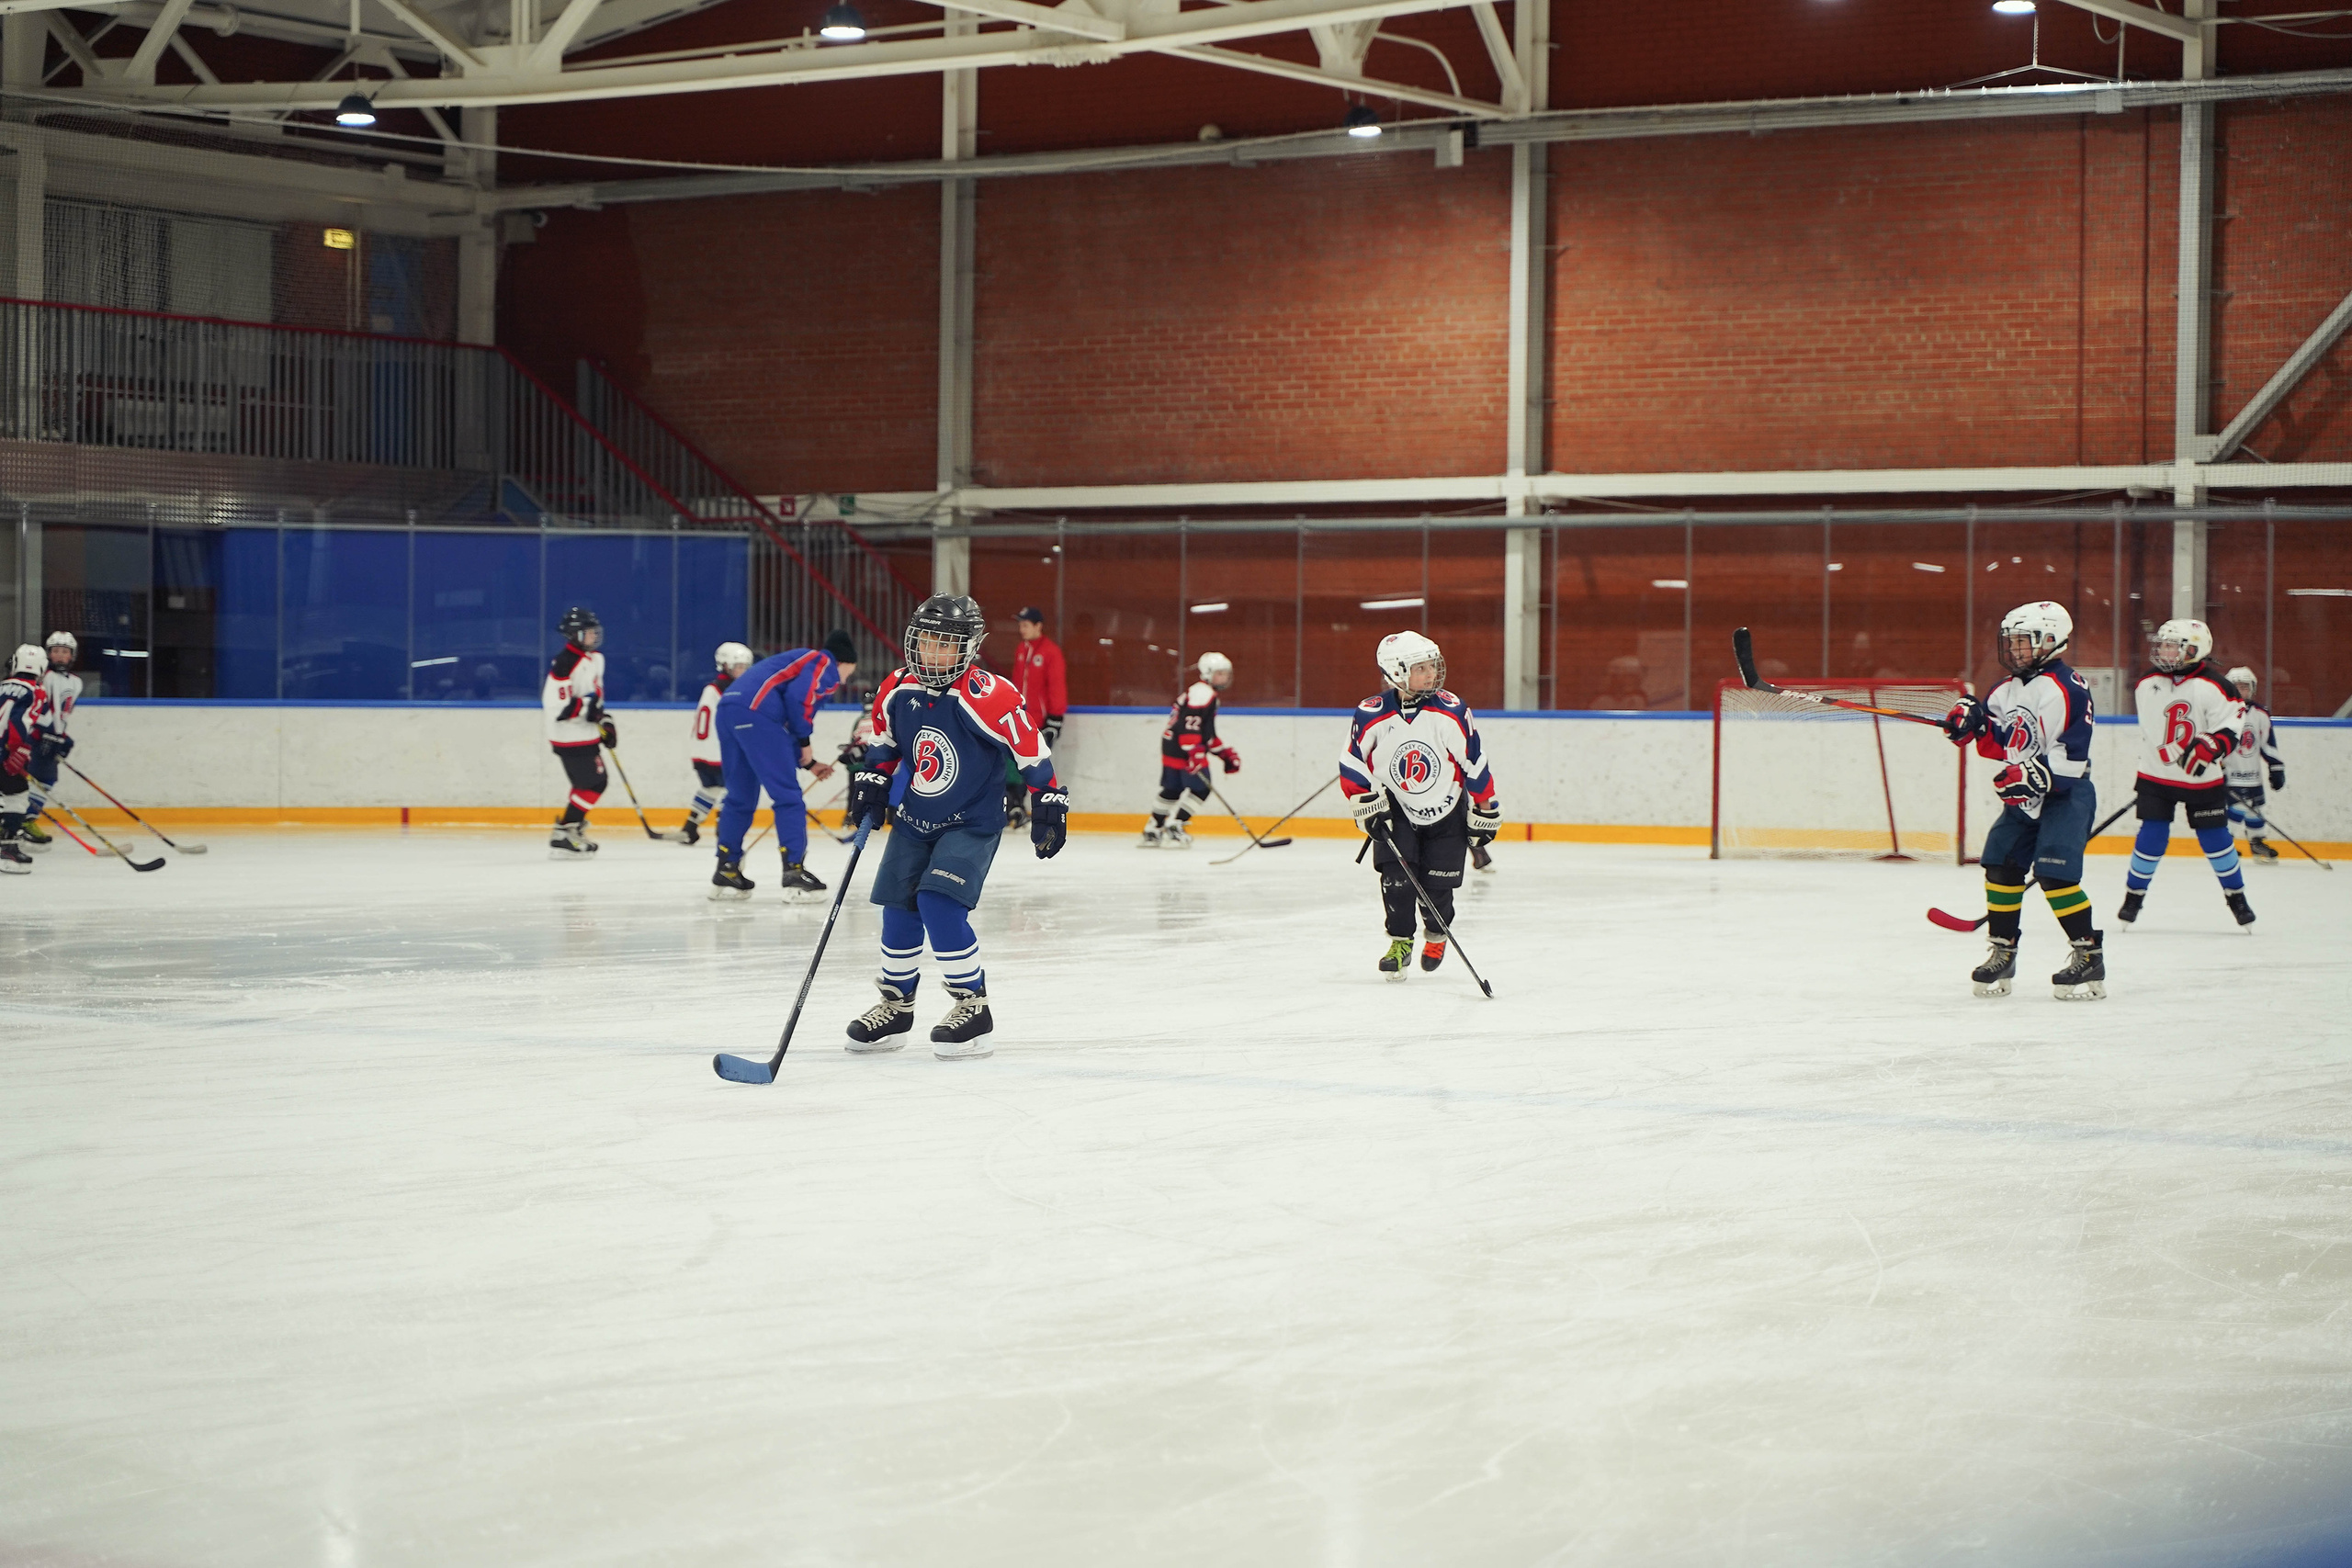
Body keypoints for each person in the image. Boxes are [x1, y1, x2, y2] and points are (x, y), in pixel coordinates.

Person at [842, 595, 1069, 1060]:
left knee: (938, 903)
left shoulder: (991, 695)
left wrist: (1048, 798)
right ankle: (896, 1006)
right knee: (899, 908)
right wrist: (873, 778)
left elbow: (1030, 750)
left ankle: (973, 1006)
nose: (934, 654)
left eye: (947, 645)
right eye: (927, 642)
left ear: (969, 648)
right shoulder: (895, 688)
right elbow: (883, 744)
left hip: (971, 822)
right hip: (914, 818)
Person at [1939, 601, 2102, 998]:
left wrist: (2036, 774)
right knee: (2001, 865)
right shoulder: (2006, 688)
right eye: (2010, 642)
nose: (2014, 650)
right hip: (2024, 798)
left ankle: (2088, 954)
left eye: (2023, 642)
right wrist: (1972, 726)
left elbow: (2072, 759)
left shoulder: (2068, 689)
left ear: (2051, 641)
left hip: (2066, 796)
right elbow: (2001, 741)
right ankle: (2003, 951)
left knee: (2055, 873)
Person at [1339, 631, 1499, 978]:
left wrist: (1485, 808)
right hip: (1397, 809)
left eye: (1432, 665)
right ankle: (1400, 942)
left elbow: (1474, 761)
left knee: (1437, 890)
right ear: (1396, 673)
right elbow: (1352, 762)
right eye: (1421, 667)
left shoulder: (1450, 710)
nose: (1431, 673)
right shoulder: (1371, 713)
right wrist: (1364, 801)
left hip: (1447, 811)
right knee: (1396, 880)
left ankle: (1437, 932)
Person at [2119, 618, 2253, 930]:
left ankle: (2237, 896)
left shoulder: (2218, 686)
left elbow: (2233, 725)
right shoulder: (2147, 682)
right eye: (2163, 645)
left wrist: (2213, 746)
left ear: (2194, 650)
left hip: (2201, 779)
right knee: (2151, 836)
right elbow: (2154, 732)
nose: (2164, 652)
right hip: (2156, 777)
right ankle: (2133, 896)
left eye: (2172, 646)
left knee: (2215, 838)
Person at [710, 630, 858, 901]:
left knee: (740, 797)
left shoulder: (794, 662)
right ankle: (794, 871)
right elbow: (798, 701)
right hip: (756, 712)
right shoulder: (823, 662)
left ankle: (727, 869)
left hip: (731, 709)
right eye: (850, 671)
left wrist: (809, 762)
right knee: (788, 797)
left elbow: (780, 723)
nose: (846, 678)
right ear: (844, 662)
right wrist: (805, 741)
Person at [1140, 651, 1239, 848]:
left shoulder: (1201, 691)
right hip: (1185, 747)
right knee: (1202, 788)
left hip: (1173, 745)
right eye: (1220, 673)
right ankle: (1175, 825)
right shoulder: (1203, 693)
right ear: (1208, 673)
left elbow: (1206, 733)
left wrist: (1223, 754)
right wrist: (1194, 751)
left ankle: (1153, 828)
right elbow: (1189, 726)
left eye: (1226, 673)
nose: (1225, 677)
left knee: (1173, 789)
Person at [543, 606, 609, 860]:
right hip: (569, 735)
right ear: (574, 635)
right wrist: (587, 709)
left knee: (591, 783)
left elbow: (596, 697)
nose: (595, 635)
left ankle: (570, 828)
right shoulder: (564, 663)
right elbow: (557, 706)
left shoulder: (596, 659)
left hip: (585, 732)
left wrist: (605, 720)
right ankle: (565, 831)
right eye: (589, 632)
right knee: (593, 783)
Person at [680, 642, 752, 847]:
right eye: (738, 666)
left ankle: (690, 827)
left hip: (701, 751)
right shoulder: (728, 690)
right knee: (732, 790)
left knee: (711, 788)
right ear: (725, 666)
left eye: (745, 666)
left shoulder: (712, 688)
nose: (743, 671)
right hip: (718, 751)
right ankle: (725, 830)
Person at [1004, 606, 1069, 829]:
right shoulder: (1022, 649)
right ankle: (1014, 807)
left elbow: (1056, 686)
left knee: (1032, 766)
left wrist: (1055, 719)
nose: (1021, 629)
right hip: (1020, 717)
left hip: (1040, 721)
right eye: (1020, 625)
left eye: (1025, 625)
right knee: (1012, 764)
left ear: (1038, 626)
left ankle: (1038, 811)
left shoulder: (1050, 651)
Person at [17, 631, 80, 851]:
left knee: (46, 780)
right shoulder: (42, 678)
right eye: (55, 651)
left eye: (65, 652)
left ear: (72, 655)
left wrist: (63, 737)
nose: (60, 656)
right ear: (48, 655)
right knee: (26, 781)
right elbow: (38, 709)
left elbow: (62, 714)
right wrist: (43, 733)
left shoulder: (76, 682)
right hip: (35, 737)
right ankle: (18, 822)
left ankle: (27, 821)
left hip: (52, 737)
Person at [2222, 665, 2287, 863]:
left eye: (2245, 687)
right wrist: (2217, 767)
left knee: (2256, 808)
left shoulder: (2260, 714)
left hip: (2253, 773)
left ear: (2253, 689)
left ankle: (2256, 842)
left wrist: (2276, 767)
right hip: (2231, 773)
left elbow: (2268, 744)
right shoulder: (2221, 713)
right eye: (2237, 687)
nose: (2241, 691)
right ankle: (2226, 845)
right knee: (2236, 808)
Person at [0, 645, 48, 874]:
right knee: (16, 796)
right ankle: (7, 849)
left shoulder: (3, 685)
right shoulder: (37, 690)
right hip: (4, 750)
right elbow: (18, 722)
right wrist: (18, 750)